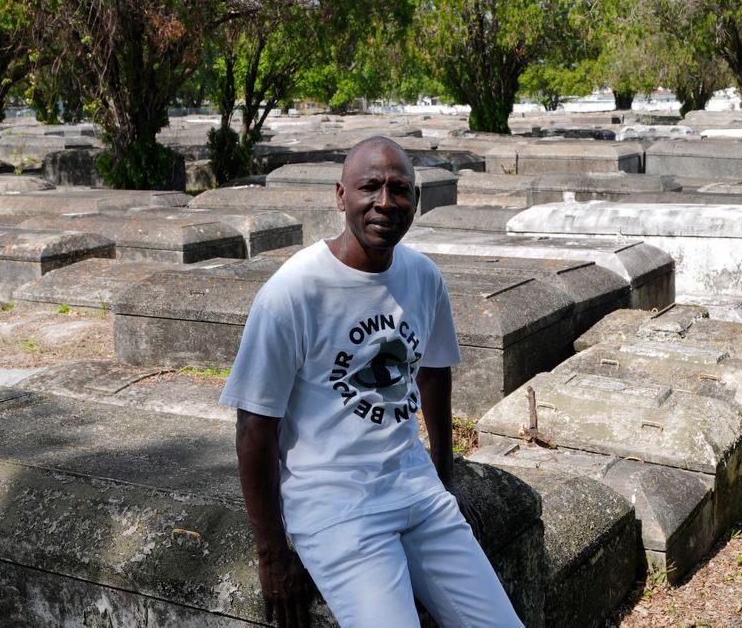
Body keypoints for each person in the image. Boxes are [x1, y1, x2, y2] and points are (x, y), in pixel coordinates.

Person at [220, 136, 523, 628]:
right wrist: (271, 551)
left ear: (416, 202)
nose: (385, 202)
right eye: (371, 188)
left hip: (416, 490)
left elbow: (433, 373)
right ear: (342, 196)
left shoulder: (423, 278)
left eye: (399, 189)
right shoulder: (293, 293)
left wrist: (444, 477)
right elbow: (254, 426)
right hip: (337, 505)